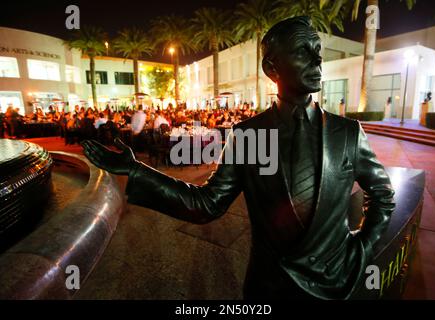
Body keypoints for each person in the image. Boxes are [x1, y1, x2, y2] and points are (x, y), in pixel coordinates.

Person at [82, 17, 395, 300]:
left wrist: (362, 248)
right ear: (272, 68)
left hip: (336, 283)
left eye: (317, 49)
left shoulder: (347, 133)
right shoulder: (250, 135)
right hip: (271, 286)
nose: (317, 60)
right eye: (303, 51)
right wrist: (137, 171)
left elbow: (382, 195)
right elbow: (208, 203)